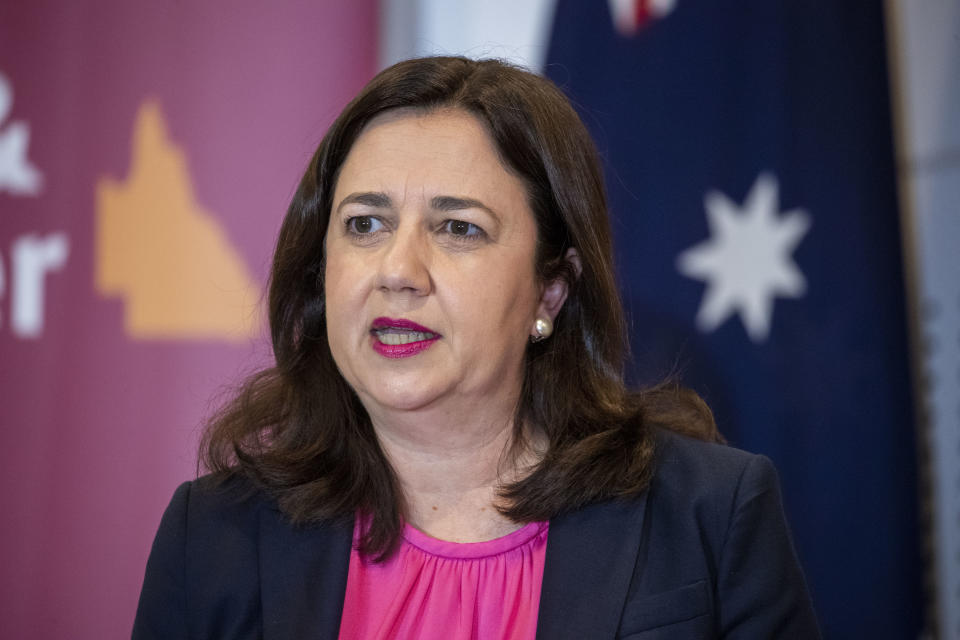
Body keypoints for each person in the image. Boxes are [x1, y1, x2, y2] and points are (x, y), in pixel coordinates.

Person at [132, 56, 819, 639]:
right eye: (365, 223)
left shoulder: (710, 515)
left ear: (550, 291)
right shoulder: (214, 538)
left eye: (458, 228)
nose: (398, 270)